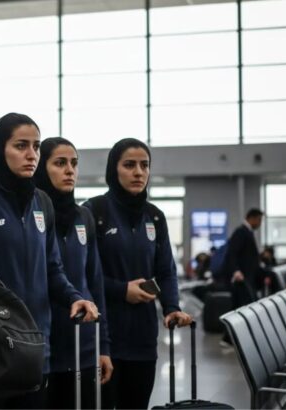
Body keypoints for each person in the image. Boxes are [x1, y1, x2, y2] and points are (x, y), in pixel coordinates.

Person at [0, 113, 98, 409]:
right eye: (21, 146)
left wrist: (74, 297)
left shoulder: (43, 202)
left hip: (36, 347)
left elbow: (52, 268)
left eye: (36, 146)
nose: (31, 155)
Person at [83, 137, 192, 410]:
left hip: (143, 338)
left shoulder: (155, 216)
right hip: (103, 338)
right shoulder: (92, 212)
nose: (138, 172)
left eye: (144, 165)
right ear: (114, 169)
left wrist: (171, 307)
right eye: (129, 165)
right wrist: (122, 290)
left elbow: (166, 271)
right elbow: (83, 277)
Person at [34, 137, 113, 409]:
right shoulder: (32, 215)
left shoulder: (84, 217)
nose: (70, 170)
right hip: (41, 347)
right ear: (41, 168)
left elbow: (95, 283)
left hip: (84, 346)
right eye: (60, 163)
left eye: (74, 163)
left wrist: (104, 347)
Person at [223, 208, 264, 307]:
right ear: (252, 218)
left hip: (248, 277)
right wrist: (236, 271)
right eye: (259, 220)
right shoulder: (241, 232)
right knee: (243, 305)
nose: (260, 223)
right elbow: (232, 253)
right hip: (242, 278)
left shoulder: (247, 232)